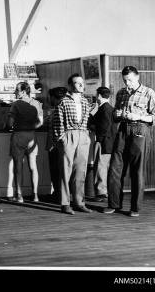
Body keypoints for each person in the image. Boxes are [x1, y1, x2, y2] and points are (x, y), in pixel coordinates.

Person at [103, 66, 155, 217]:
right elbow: (115, 116)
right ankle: (114, 204)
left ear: (137, 77)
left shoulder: (148, 92)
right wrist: (117, 114)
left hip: (140, 130)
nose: (127, 83)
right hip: (122, 130)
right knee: (115, 169)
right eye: (124, 80)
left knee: (137, 170)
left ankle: (135, 208)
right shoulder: (121, 93)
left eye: (129, 80)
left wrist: (139, 117)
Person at [52, 74, 92, 215]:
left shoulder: (85, 102)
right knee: (65, 171)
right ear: (70, 85)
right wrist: (62, 138)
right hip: (68, 136)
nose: (81, 85)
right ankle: (65, 203)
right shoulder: (63, 102)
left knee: (81, 171)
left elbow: (86, 120)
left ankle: (79, 202)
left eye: (82, 83)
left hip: (82, 136)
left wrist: (85, 136)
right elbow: (57, 121)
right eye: (77, 83)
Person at [7, 82, 43, 203]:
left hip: (19, 135)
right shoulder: (36, 103)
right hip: (31, 135)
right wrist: (31, 127)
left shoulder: (16, 105)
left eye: (16, 90)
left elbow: (10, 123)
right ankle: (36, 195)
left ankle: (19, 196)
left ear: (23, 91)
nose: (15, 92)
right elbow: (41, 122)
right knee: (33, 167)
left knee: (18, 167)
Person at [88, 87, 117, 202]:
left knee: (100, 167)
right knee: (105, 167)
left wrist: (91, 125)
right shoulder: (109, 108)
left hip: (103, 142)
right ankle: (104, 192)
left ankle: (101, 193)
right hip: (109, 142)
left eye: (96, 95)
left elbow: (103, 128)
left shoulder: (104, 109)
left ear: (99, 96)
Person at [45, 87, 68, 202]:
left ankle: (59, 195)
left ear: (55, 98)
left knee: (57, 171)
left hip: (56, 145)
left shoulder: (57, 110)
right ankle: (59, 194)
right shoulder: (62, 108)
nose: (49, 99)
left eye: (50, 97)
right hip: (59, 144)